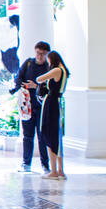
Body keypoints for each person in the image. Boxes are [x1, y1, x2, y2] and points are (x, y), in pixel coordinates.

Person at [10, 40, 52, 173]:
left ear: (47, 54)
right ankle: (26, 163)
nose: (40, 56)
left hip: (42, 106)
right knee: (27, 136)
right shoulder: (28, 63)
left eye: (43, 54)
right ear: (35, 52)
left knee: (42, 136)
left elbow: (51, 87)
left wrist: (37, 86)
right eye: (38, 53)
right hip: (27, 105)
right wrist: (22, 85)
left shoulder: (49, 68)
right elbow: (18, 77)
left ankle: (45, 165)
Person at [36, 51, 70, 179]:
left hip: (51, 104)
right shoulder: (64, 71)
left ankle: (54, 171)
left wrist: (46, 79)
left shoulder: (57, 70)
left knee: (49, 134)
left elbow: (39, 79)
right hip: (58, 103)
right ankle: (60, 170)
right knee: (57, 136)